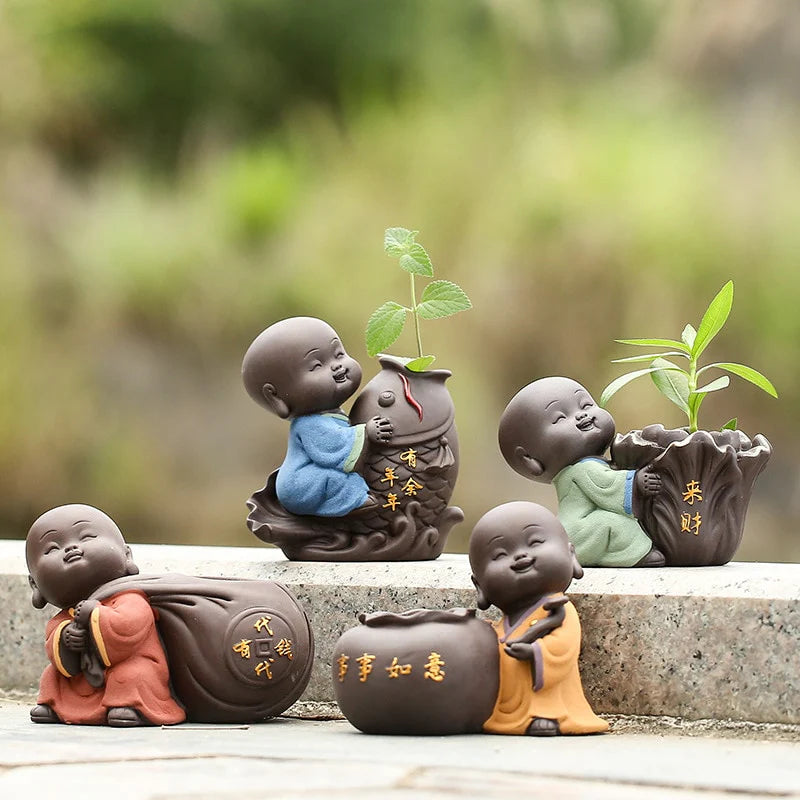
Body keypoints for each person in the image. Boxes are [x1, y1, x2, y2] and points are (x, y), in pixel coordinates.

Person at [26, 504, 185, 727]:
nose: (71, 548)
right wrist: (68, 640)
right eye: (52, 549)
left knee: (131, 675)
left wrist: (95, 616)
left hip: (128, 663)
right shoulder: (61, 619)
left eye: (87, 537)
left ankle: (129, 705)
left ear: (126, 555)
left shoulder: (130, 598)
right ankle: (53, 704)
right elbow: (58, 651)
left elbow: (129, 629)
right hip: (82, 679)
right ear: (35, 584)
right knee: (52, 675)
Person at [469, 501, 609, 736]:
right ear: (480, 588)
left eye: (535, 542)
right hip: (508, 698)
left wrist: (535, 652)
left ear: (572, 557)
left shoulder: (559, 610)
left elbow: (564, 646)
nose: (521, 556)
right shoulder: (504, 623)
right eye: (500, 554)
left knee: (547, 695)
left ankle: (549, 713)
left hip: (550, 691)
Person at [498, 376, 663, 567]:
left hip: (577, 532)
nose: (582, 415)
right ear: (530, 460)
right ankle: (635, 555)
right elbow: (607, 486)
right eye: (560, 418)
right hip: (580, 533)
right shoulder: (582, 469)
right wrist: (636, 482)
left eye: (586, 405)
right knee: (611, 522)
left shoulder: (589, 465)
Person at [242, 316, 393, 516]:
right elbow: (333, 448)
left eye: (339, 354)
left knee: (337, 479)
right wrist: (366, 432)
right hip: (302, 485)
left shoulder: (329, 415)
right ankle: (355, 502)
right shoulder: (309, 424)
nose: (337, 366)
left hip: (310, 480)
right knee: (335, 480)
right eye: (316, 366)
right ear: (276, 398)